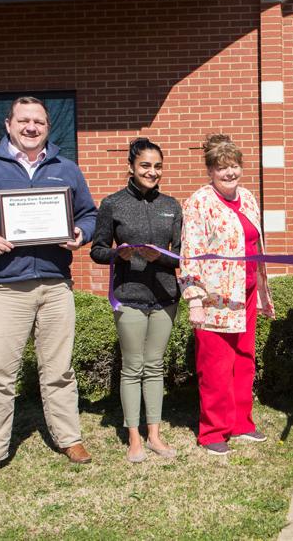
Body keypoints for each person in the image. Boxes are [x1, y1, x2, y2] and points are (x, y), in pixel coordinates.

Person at [0, 96, 97, 485]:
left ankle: (69, 437)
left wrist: (81, 234)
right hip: (4, 288)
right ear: (8, 125)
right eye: (24, 121)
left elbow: (89, 215)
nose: (32, 127)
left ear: (48, 127)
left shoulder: (66, 169)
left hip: (55, 285)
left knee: (59, 369)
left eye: (39, 122)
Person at [178, 134, 274, 456]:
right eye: (222, 168)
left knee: (244, 360)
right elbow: (190, 252)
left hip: (245, 292)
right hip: (214, 297)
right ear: (210, 171)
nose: (229, 173)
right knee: (215, 364)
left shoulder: (247, 197)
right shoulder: (198, 203)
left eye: (234, 166)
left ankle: (241, 423)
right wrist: (194, 299)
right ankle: (213, 431)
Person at [90, 138, 182, 463]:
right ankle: (134, 439)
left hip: (165, 297)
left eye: (157, 166)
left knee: (155, 366)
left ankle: (154, 435)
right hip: (129, 296)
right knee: (132, 367)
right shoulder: (112, 204)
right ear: (131, 166)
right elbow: (97, 250)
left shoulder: (172, 205)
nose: (152, 172)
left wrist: (161, 257)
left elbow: (182, 255)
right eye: (145, 165)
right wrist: (119, 253)